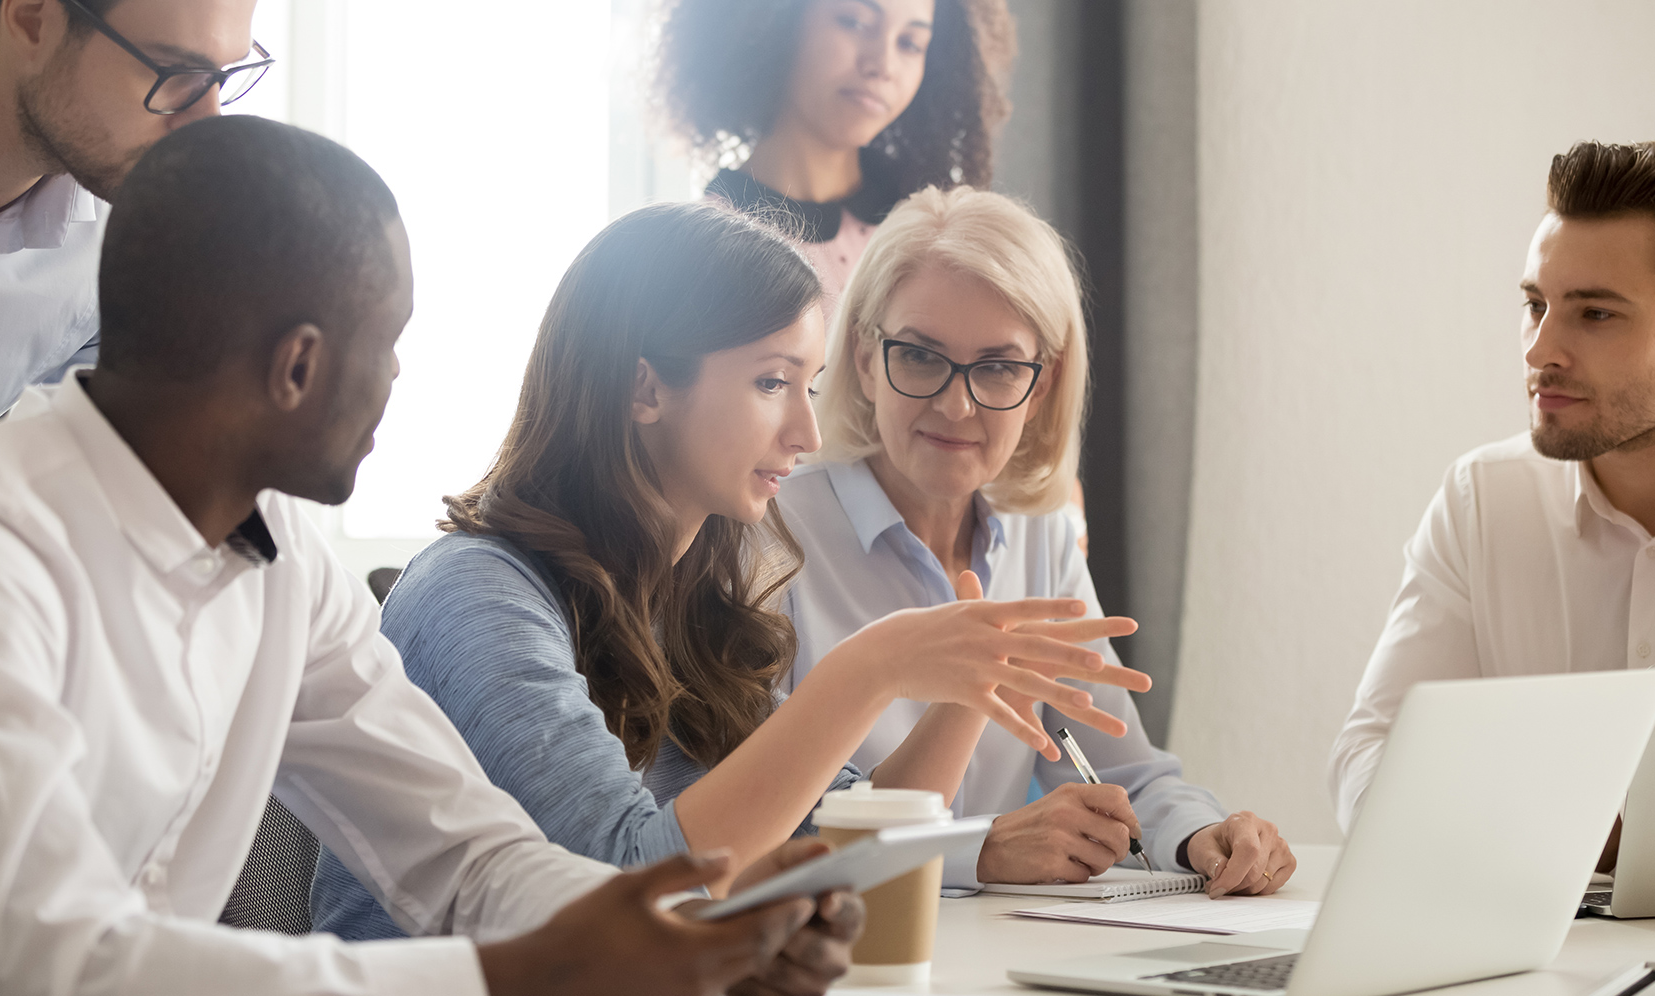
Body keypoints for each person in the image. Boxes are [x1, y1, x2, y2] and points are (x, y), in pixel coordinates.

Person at [0, 114, 863, 996]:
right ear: (298, 366)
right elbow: (48, 960)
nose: (399, 381)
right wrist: (517, 974)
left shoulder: (284, 556)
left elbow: (461, 850)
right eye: (390, 344)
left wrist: (697, 938)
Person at [311, 199, 1148, 940]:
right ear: (646, 388)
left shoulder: (687, 601)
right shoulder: (476, 595)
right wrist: (868, 670)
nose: (807, 433)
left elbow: (857, 849)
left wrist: (975, 676)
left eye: (807, 385)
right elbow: (630, 883)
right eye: (771, 382)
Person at [785, 186, 1298, 897]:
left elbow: (1122, 772)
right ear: (866, 359)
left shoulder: (1040, 533)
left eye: (997, 367)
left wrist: (1199, 838)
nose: (957, 404)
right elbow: (778, 826)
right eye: (921, 356)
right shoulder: (769, 533)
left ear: (1042, 383)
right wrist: (980, 849)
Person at [1331, 141, 1655, 871]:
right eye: (1535, 306)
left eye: (1595, 314)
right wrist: (1544, 828)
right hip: (1551, 961)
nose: (1542, 349)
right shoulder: (1485, 500)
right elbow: (1368, 757)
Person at [0, 0, 267, 474]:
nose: (206, 122)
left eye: (221, 75)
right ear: (32, 17)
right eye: (176, 71)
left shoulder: (128, 253)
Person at [653, 0, 1013, 301]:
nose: (883, 65)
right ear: (776, 18)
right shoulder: (701, 253)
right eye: (854, 22)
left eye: (910, 43)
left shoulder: (929, 229)